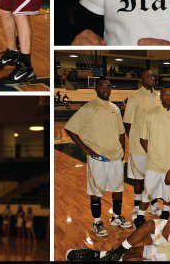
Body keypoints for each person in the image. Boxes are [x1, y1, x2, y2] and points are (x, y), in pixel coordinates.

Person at [64, 77, 132, 237]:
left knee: (118, 189)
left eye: (108, 87)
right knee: (96, 191)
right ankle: (97, 221)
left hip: (115, 156)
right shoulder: (87, 108)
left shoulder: (115, 108)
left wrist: (122, 150)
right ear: (95, 88)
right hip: (98, 157)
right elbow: (70, 129)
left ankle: (116, 217)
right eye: (102, 87)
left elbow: (121, 132)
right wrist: (85, 148)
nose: (106, 90)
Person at [135, 86, 170, 227]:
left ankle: (164, 211)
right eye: (165, 94)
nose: (168, 96)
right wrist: (152, 153)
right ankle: (140, 217)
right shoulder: (150, 115)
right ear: (160, 96)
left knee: (169, 192)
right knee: (148, 192)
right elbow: (143, 139)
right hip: (154, 164)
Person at [123, 69, 160, 220]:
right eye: (147, 76)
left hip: (156, 144)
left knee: (155, 176)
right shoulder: (135, 97)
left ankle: (155, 205)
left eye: (152, 75)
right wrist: (133, 140)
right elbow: (127, 123)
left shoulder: (158, 96)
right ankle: (136, 207)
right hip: (139, 146)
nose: (151, 78)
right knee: (139, 179)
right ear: (141, 79)